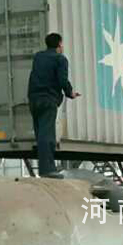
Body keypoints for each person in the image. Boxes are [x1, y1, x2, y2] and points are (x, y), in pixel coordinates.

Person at [28, 33, 80, 179]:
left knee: (40, 136)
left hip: (34, 99)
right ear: (59, 44)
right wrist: (70, 93)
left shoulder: (38, 57)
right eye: (62, 44)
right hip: (48, 100)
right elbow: (62, 80)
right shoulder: (60, 59)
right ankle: (47, 170)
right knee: (47, 136)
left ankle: (44, 168)